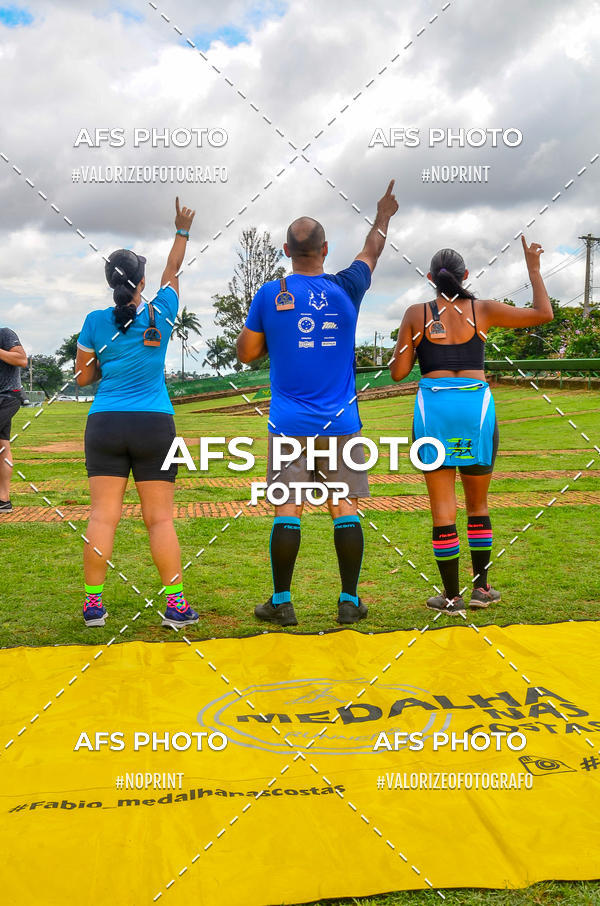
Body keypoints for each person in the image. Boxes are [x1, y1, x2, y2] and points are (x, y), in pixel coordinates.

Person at [237, 180, 399, 626]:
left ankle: (282, 602)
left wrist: (277, 333)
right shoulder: (348, 286)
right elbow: (372, 250)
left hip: (288, 422)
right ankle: (349, 601)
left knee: (287, 507)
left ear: (286, 250)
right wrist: (384, 213)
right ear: (325, 249)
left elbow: (247, 353)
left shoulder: (271, 294)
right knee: (343, 506)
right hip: (341, 420)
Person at [390, 235, 553, 614]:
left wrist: (411, 342)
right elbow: (543, 313)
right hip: (477, 409)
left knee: (442, 509)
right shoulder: (483, 310)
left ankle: (450, 598)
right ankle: (482, 590)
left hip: (433, 412)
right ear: (465, 275)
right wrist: (533, 269)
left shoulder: (417, 314)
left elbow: (398, 373)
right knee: (477, 504)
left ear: (431, 278)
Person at [75, 197, 198, 628]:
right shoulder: (161, 311)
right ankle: (176, 607)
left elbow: (83, 379)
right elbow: (174, 271)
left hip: (105, 423)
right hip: (155, 425)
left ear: (111, 282)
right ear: (142, 282)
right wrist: (181, 231)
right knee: (160, 519)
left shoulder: (93, 320)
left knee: (101, 517)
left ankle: (93, 606)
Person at [0, 326, 28, 512]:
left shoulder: (5, 334)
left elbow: (22, 360)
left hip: (8, 396)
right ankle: (4, 500)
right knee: (2, 446)